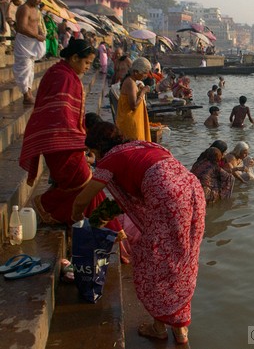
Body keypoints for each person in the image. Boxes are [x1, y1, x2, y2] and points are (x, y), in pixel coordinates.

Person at [71, 122, 204, 345]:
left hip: (167, 197)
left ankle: (159, 327)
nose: (91, 158)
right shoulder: (143, 146)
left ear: (97, 148)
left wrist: (76, 217)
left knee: (151, 260)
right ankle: (180, 329)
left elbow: (84, 198)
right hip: (193, 191)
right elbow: (131, 194)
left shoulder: (110, 159)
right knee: (183, 259)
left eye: (91, 153)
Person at [19, 39, 118, 228]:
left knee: (87, 183)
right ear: (74, 58)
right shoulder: (62, 77)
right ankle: (46, 204)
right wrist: (81, 141)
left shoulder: (63, 74)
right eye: (87, 62)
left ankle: (97, 225)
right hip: (61, 144)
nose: (89, 67)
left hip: (67, 143)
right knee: (85, 182)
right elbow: (60, 115)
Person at [13, 0, 46, 104]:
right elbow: (21, 27)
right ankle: (26, 95)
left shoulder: (36, 10)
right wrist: (37, 36)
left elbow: (36, 25)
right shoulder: (24, 9)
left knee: (30, 69)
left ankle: (29, 93)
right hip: (24, 42)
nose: (39, 1)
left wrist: (41, 33)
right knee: (24, 68)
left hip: (33, 42)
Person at [116, 57, 152, 141]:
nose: (145, 76)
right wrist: (143, 91)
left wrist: (139, 90)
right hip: (130, 123)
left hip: (132, 121)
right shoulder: (130, 83)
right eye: (144, 73)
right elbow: (133, 106)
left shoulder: (132, 82)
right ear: (136, 72)